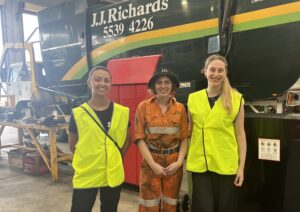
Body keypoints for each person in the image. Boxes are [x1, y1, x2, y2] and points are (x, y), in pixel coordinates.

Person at [186, 54, 247, 212]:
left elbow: (240, 134)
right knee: (203, 208)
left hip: (226, 165)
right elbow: (189, 132)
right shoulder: (193, 99)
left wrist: (241, 168)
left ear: (225, 73)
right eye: (212, 69)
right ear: (205, 71)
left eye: (220, 70)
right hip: (200, 165)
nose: (216, 74)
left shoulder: (236, 99)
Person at [68, 66, 131, 212]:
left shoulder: (122, 112)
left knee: (110, 209)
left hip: (112, 173)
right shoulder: (78, 114)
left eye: (106, 80)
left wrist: (116, 158)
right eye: (97, 79)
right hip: (87, 173)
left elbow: (127, 141)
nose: (102, 83)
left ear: (110, 84)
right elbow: (72, 146)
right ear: (89, 82)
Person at [134, 67, 189, 212]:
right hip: (151, 162)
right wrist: (153, 165)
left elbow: (184, 138)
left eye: (167, 82)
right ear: (154, 86)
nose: (163, 86)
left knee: (170, 203)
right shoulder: (143, 107)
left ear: (172, 86)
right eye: (159, 82)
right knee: (149, 205)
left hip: (173, 163)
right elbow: (139, 139)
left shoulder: (180, 109)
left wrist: (179, 162)